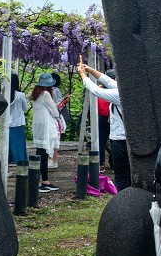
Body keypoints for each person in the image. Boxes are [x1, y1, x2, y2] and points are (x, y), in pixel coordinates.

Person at [77, 61, 130, 192]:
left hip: (120, 140)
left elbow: (96, 91)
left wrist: (83, 75)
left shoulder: (120, 95)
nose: (115, 79)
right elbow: (107, 81)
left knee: (122, 176)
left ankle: (124, 203)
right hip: (129, 138)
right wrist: (90, 70)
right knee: (128, 174)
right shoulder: (130, 91)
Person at [30, 72, 63, 192]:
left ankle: (44, 180)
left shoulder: (35, 94)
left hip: (38, 126)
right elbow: (54, 113)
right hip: (46, 127)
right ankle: (41, 181)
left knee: (40, 152)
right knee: (43, 155)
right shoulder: (46, 94)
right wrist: (59, 107)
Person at [6, 73, 30, 166]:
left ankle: (10, 159)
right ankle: (20, 160)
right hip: (18, 122)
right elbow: (26, 108)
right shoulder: (20, 95)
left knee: (10, 143)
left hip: (8, 122)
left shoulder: (5, 94)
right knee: (19, 143)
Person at [51, 71, 72, 138]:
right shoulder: (55, 90)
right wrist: (66, 100)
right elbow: (60, 103)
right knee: (58, 129)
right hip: (57, 111)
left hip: (52, 111)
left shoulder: (50, 89)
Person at [97, 94, 111, 171]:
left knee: (101, 142)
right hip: (111, 117)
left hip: (101, 117)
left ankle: (101, 164)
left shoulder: (100, 93)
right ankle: (114, 165)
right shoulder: (113, 90)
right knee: (114, 141)